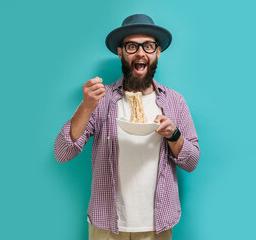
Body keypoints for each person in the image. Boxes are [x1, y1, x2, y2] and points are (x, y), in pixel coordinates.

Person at [54, 14, 200, 240]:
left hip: (158, 225)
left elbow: (191, 162)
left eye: (148, 46)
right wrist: (86, 106)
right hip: (106, 225)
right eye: (132, 46)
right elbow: (63, 152)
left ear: (157, 52)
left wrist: (173, 135)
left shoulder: (174, 101)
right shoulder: (100, 100)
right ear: (120, 52)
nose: (141, 53)